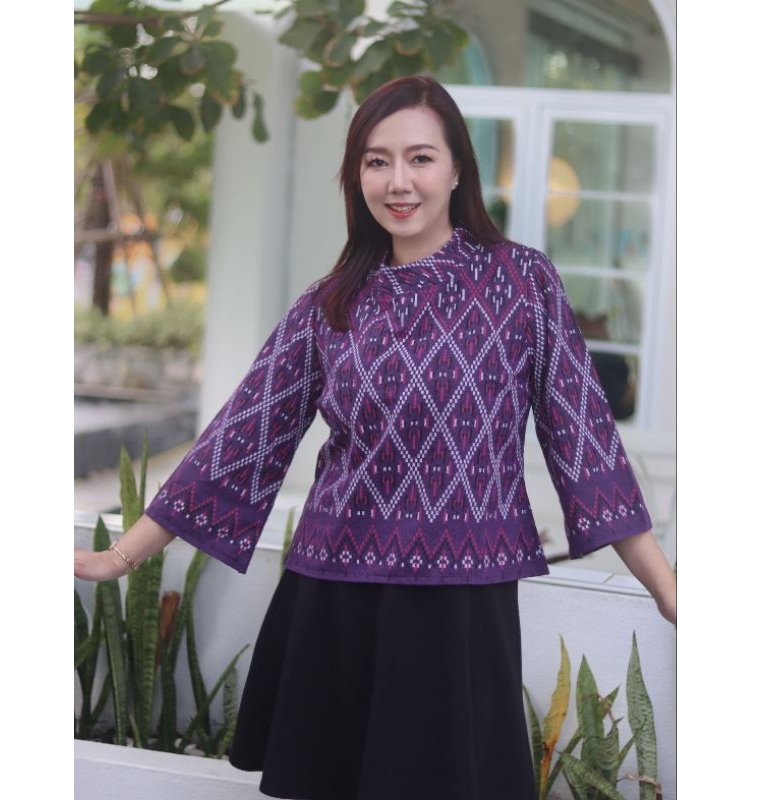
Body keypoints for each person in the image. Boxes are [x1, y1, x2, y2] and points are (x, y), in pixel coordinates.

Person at [75, 75, 676, 800]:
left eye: (420, 158)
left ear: (458, 169)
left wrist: (668, 592)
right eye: (376, 161)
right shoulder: (331, 303)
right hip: (335, 596)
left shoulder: (523, 283)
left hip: (461, 603)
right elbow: (241, 439)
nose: (398, 181)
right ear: (355, 175)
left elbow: (588, 448)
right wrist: (118, 557)